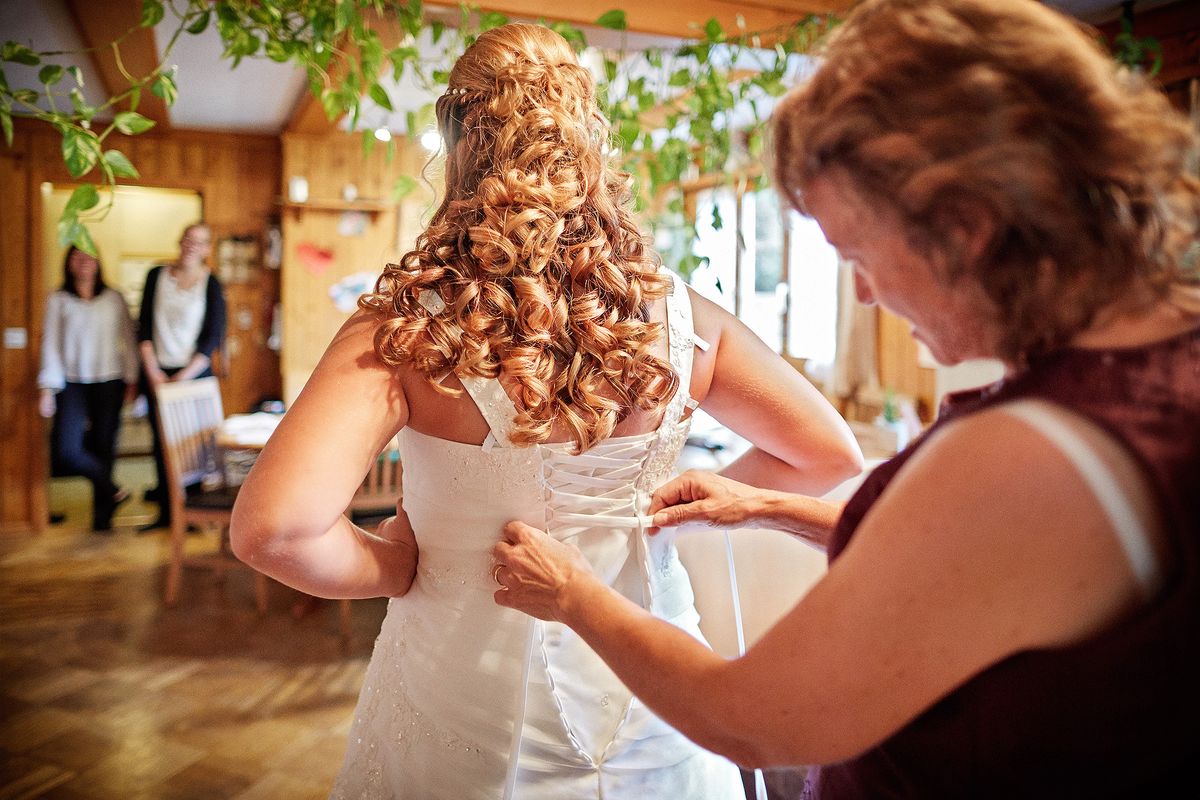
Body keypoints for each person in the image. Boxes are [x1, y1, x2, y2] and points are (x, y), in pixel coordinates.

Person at [490, 1, 1200, 797]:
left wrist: (575, 596)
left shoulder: (1036, 449)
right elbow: (977, 567)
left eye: (857, 253)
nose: (862, 293)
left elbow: (751, 722)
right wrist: (767, 508)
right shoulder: (1166, 355)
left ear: (965, 227)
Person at [229, 22, 862, 800]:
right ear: (587, 140)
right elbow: (827, 455)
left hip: (459, 694)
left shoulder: (409, 329)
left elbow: (274, 530)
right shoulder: (684, 317)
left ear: (460, 146)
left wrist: (395, 565)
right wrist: (670, 514)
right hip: (656, 698)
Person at [38, 246, 139, 532]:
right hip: (71, 383)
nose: (84, 263)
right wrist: (47, 388)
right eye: (77, 257)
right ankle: (113, 489)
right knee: (65, 451)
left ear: (98, 262)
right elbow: (50, 344)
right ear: (69, 264)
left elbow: (128, 340)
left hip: (110, 381)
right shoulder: (58, 299)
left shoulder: (114, 298)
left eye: (89, 257)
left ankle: (102, 518)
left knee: (104, 447)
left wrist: (132, 380)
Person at [136, 222, 226, 530]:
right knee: (162, 442)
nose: (191, 246)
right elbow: (144, 326)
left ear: (207, 249)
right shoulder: (155, 276)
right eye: (187, 239)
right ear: (180, 242)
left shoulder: (211, 283)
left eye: (199, 242)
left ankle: (193, 513)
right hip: (156, 372)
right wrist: (154, 373)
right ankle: (166, 513)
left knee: (191, 445)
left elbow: (213, 337)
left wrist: (183, 378)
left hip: (195, 375)